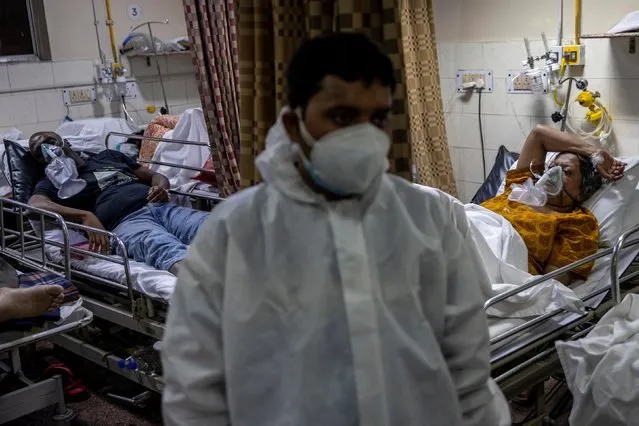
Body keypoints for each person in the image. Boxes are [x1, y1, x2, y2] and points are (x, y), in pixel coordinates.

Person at [162, 33, 505, 426]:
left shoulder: (428, 216)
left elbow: (466, 359)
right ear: (294, 124)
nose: (364, 136)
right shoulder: (235, 232)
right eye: (342, 117)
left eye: (377, 119)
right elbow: (194, 385)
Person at [27, 132, 209, 274]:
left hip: (162, 208)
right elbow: (35, 205)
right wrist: (84, 215)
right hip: (127, 224)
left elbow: (155, 176)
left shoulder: (109, 156)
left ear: (65, 142)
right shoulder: (54, 182)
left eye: (50, 141)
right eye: (39, 150)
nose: (47, 148)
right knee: (160, 246)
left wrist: (161, 187)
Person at [481, 125, 625, 284]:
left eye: (567, 171)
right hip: (471, 229)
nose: (552, 174)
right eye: (551, 167)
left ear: (582, 191)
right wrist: (595, 153)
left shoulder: (578, 223)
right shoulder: (522, 185)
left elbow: (552, 281)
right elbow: (538, 135)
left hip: (493, 264)